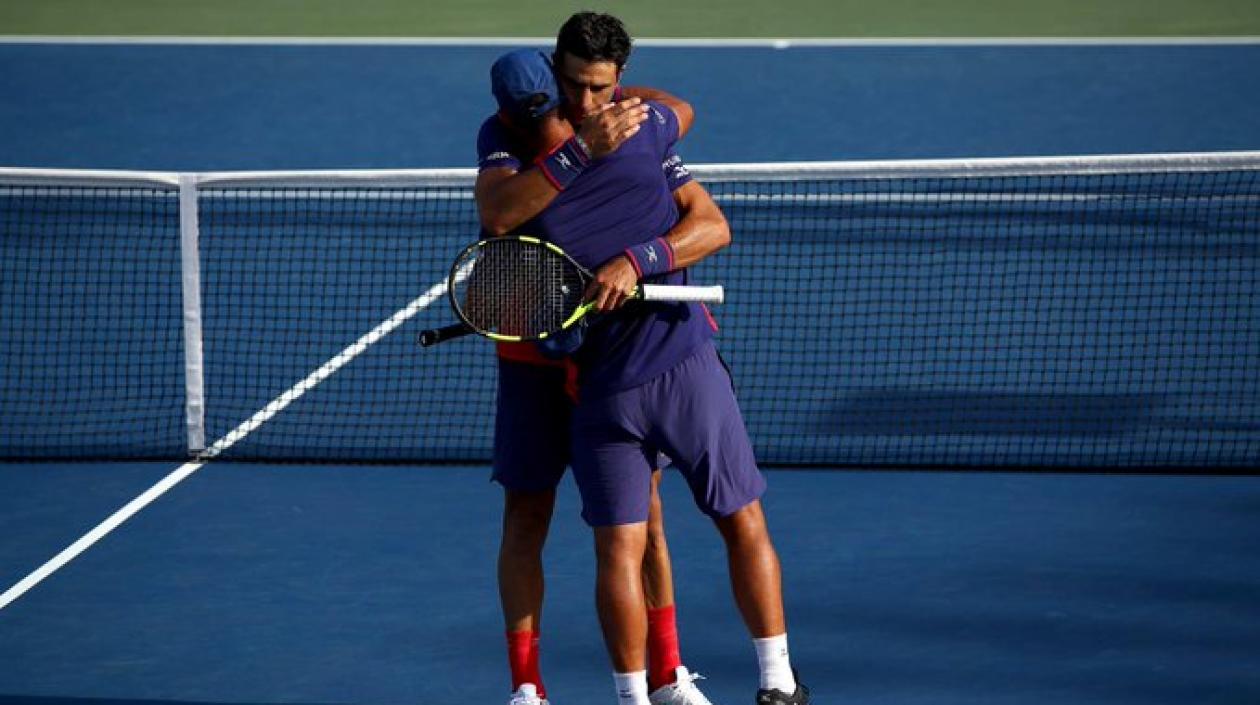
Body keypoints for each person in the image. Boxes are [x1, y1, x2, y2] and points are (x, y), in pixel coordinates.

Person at [493, 13, 812, 705]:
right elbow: (696, 174)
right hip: (635, 373)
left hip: (628, 371)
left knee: (660, 535)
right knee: (676, 531)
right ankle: (723, 687)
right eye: (571, 91)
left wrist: (631, 260)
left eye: (599, 89)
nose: (583, 106)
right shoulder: (637, 136)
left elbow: (706, 213)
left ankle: (688, 687)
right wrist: (594, 151)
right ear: (551, 78)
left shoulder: (620, 141)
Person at [475, 46, 724, 705]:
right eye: (529, 117)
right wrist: (573, 151)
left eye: (552, 108)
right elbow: (499, 214)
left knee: (643, 515)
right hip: (532, 355)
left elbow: (682, 110)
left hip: (610, 359)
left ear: (568, 86)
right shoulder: (503, 137)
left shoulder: (604, 108)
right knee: (527, 513)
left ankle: (668, 675)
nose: (544, 122)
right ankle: (527, 686)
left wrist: (620, 105)